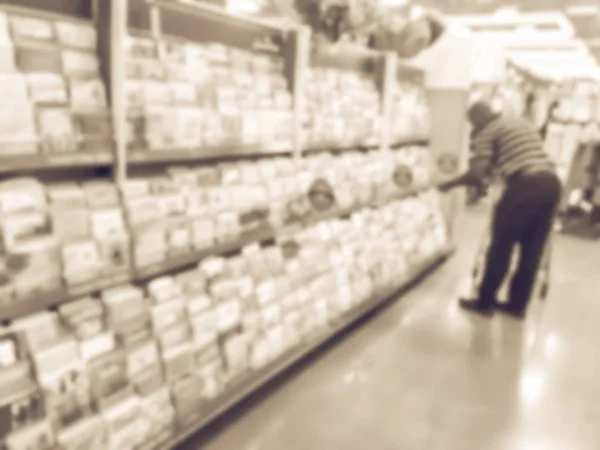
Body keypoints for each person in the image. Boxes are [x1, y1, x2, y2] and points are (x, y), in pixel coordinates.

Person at [439, 101, 562, 318]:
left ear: (477, 120)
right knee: (532, 249)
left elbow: (477, 173)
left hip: (525, 185)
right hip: (551, 183)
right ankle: (517, 305)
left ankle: (484, 302)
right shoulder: (518, 121)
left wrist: (448, 185)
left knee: (501, 246)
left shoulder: (487, 131)